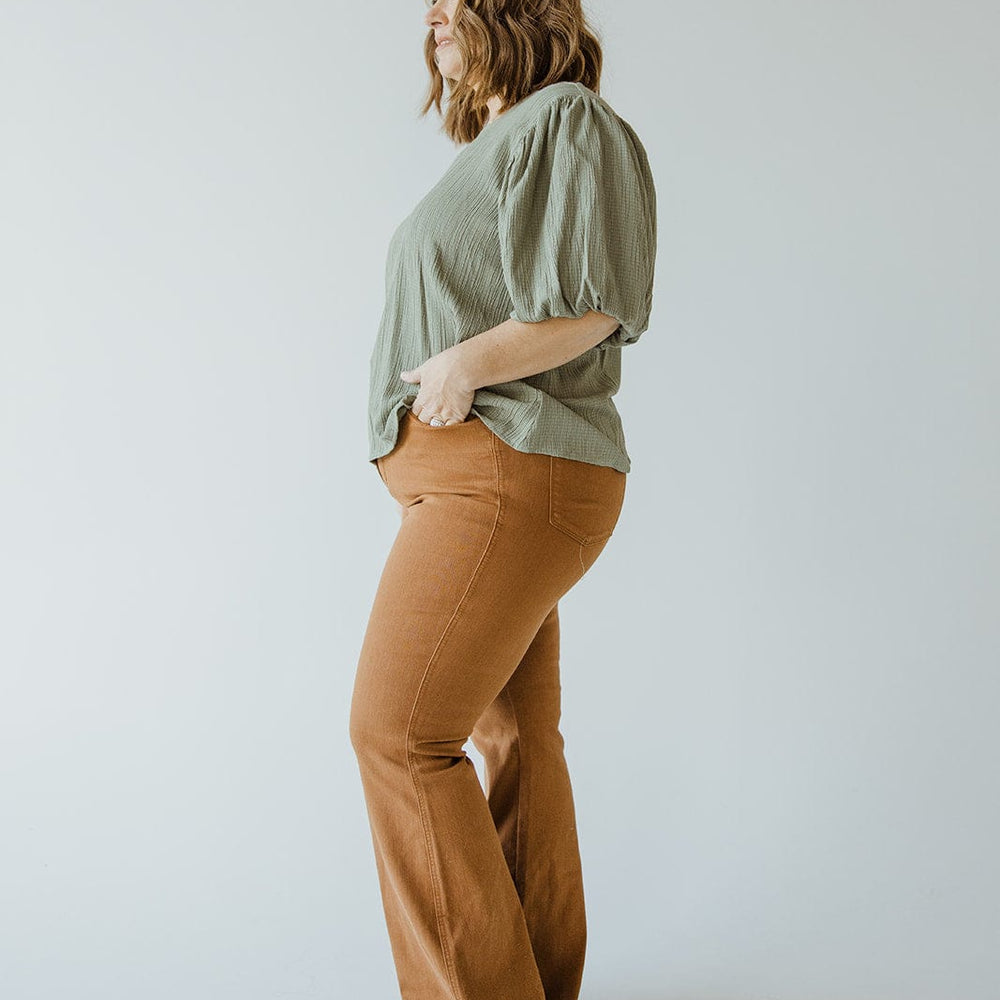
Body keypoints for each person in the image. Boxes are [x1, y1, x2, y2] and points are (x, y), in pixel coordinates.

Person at [349, 2, 657, 998]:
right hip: (481, 482)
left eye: (453, 1)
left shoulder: (567, 118)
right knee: (510, 735)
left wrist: (463, 365)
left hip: (505, 476)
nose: (430, 18)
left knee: (398, 735)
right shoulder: (505, 141)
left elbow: (595, 301)